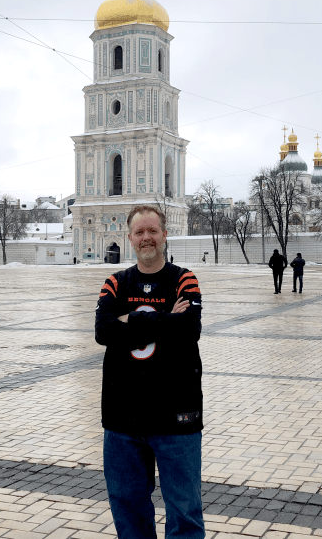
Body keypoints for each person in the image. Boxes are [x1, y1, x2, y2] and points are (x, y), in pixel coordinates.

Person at [95, 205, 205, 539]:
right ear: (130, 238)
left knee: (184, 512)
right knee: (128, 512)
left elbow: (188, 330)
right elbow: (103, 331)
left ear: (164, 234)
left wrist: (129, 319)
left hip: (176, 417)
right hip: (122, 419)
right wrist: (164, 319)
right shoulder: (115, 282)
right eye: (140, 232)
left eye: (153, 231)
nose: (147, 238)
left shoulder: (183, 278)